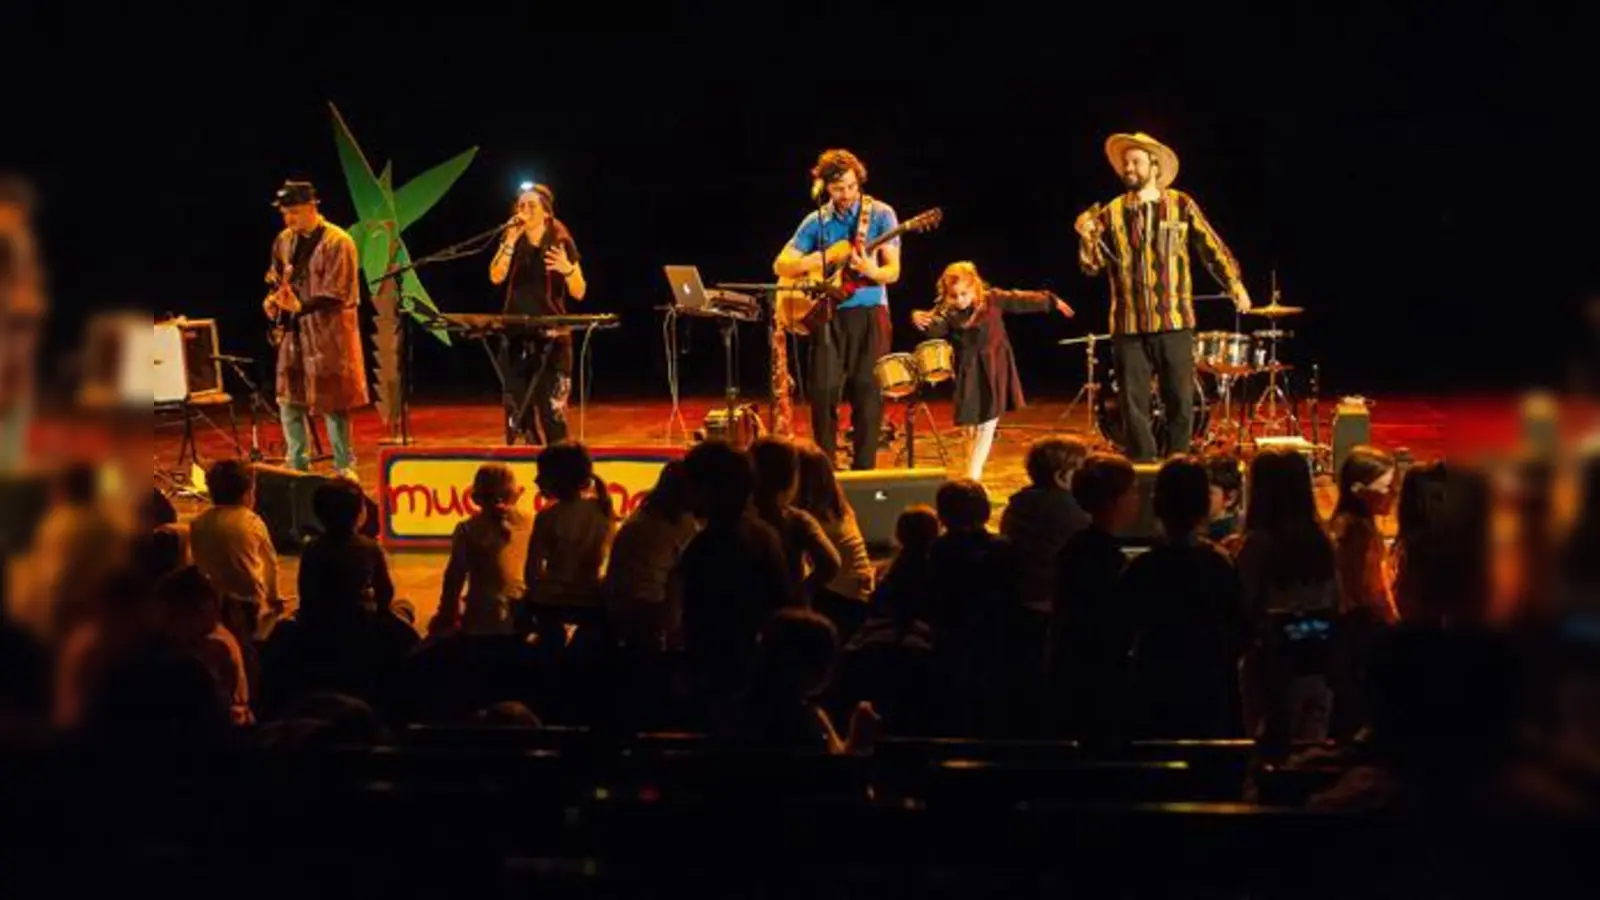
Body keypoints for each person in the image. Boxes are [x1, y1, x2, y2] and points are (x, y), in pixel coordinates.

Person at [1075, 132, 1251, 461]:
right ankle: (1143, 468)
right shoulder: (1111, 213)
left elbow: (1210, 247)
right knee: (1133, 404)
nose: (1128, 168)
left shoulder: (1181, 204)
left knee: (1180, 401)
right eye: (1125, 163)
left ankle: (1178, 464)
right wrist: (1086, 239)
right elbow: (1092, 267)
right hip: (1128, 323)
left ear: (1153, 166)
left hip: (1173, 319)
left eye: (1136, 162)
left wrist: (1235, 284)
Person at [773, 149, 901, 470]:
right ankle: (824, 470)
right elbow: (782, 264)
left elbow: (893, 272)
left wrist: (871, 271)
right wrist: (821, 258)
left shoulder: (882, 214)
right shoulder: (817, 220)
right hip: (827, 316)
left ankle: (865, 470)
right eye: (837, 188)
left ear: (859, 181)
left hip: (871, 315)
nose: (845, 195)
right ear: (824, 187)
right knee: (823, 393)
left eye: (850, 187)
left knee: (868, 396)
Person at [911, 261, 1074, 480]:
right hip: (968, 369)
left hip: (995, 366)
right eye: (954, 295)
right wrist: (918, 318)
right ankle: (969, 474)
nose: (960, 300)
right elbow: (935, 328)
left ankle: (972, 478)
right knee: (969, 428)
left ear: (975, 287)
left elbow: (1021, 300)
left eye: (964, 294)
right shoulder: (948, 312)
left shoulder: (992, 299)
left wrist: (1051, 301)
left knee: (987, 424)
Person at [265, 180, 368, 479]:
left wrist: (299, 306)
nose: (289, 220)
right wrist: (272, 300)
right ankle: (297, 467)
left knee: (333, 402)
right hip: (294, 334)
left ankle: (344, 467)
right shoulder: (284, 240)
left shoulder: (339, 242)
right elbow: (276, 277)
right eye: (285, 213)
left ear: (313, 207)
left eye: (295, 212)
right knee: (289, 399)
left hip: (329, 334)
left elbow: (338, 290)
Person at [488, 183, 587, 445]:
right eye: (521, 205)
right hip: (516, 335)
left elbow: (579, 291)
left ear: (546, 212)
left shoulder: (560, 239)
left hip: (553, 338)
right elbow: (496, 276)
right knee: (518, 416)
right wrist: (509, 241)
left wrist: (567, 269)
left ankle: (561, 472)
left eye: (531, 205)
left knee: (552, 413)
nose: (524, 210)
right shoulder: (513, 238)